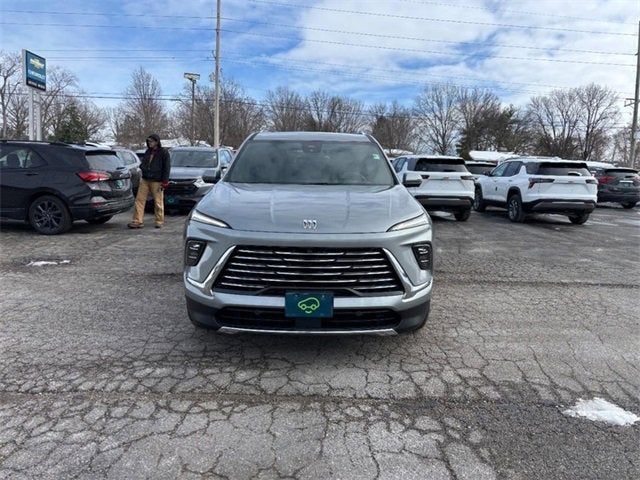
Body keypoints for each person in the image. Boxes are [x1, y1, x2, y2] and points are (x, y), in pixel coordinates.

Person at [128, 134, 171, 229]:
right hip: (145, 179)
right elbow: (143, 163)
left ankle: (159, 221)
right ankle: (137, 221)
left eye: (151, 141)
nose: (149, 143)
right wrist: (143, 167)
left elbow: (167, 167)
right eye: (148, 141)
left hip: (157, 181)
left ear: (157, 142)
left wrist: (165, 181)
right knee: (139, 200)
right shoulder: (148, 151)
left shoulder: (164, 152)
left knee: (158, 201)